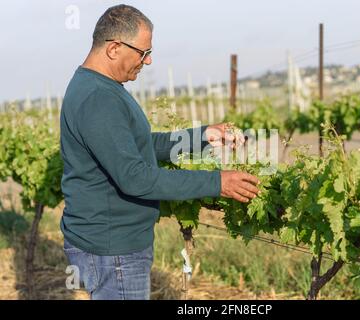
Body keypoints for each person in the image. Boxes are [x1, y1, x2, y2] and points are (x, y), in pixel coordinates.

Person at [59, 4, 259, 300]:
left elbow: (140, 146)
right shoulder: (99, 98)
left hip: (105, 242)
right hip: (114, 251)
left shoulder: (97, 88)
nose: (148, 61)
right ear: (114, 48)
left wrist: (202, 136)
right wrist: (218, 182)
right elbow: (135, 177)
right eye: (143, 52)